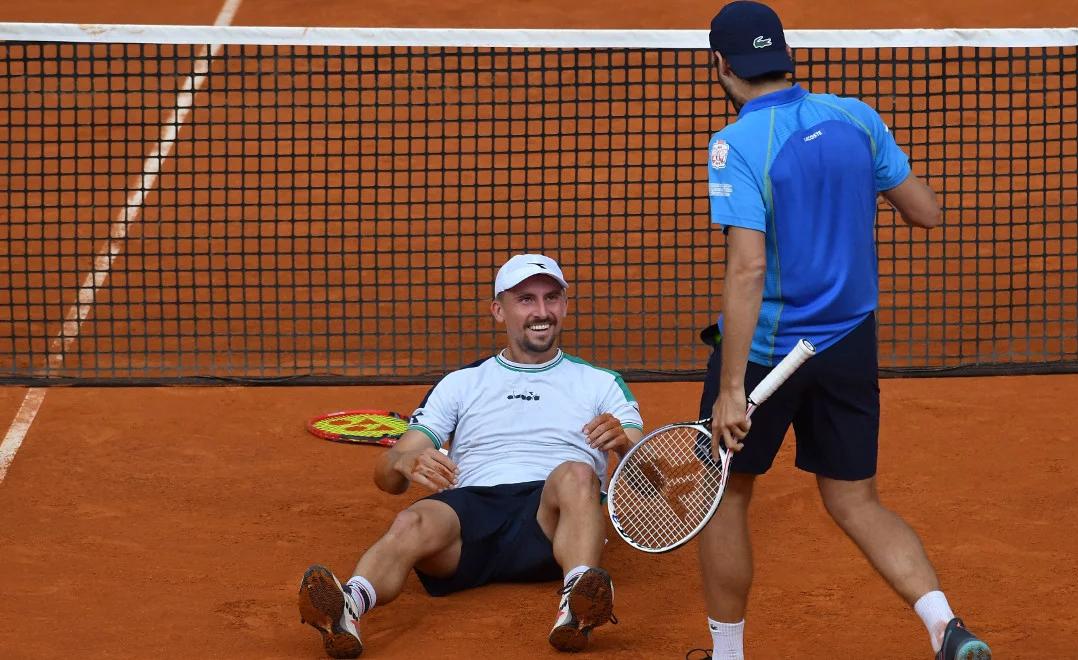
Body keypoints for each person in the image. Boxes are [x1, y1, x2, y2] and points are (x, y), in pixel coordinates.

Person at [693, 3, 992, 660]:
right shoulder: (857, 117)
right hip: (850, 341)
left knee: (726, 495)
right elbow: (925, 212)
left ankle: (727, 654)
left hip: (771, 351)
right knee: (855, 498)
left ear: (721, 65)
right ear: (784, 56)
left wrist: (732, 389)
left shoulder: (734, 144)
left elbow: (747, 268)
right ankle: (945, 625)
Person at [298, 253, 644, 658]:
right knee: (412, 519)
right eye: (526, 300)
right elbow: (388, 476)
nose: (542, 311)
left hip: (551, 520)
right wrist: (406, 462)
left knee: (576, 473)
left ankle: (577, 607)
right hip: (470, 517)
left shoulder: (601, 383)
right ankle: (347, 608)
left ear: (564, 306)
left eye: (552, 298)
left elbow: (645, 473)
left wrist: (623, 443)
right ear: (499, 310)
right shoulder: (461, 384)